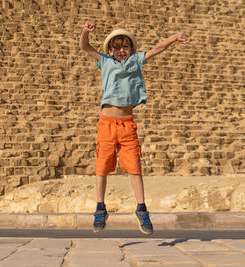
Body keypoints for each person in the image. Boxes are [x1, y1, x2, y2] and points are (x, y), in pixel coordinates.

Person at [79, 21, 188, 234]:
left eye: (126, 47)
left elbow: (157, 49)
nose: (121, 50)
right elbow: (85, 47)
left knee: (135, 168)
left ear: (132, 49)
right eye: (117, 47)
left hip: (127, 124)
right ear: (110, 50)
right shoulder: (104, 61)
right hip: (106, 124)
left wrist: (174, 38)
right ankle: (100, 208)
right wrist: (85, 32)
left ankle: (141, 209)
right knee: (101, 168)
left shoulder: (136, 61)